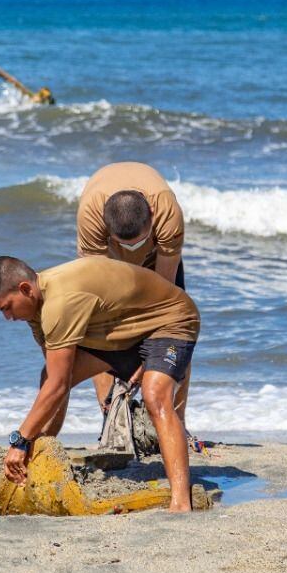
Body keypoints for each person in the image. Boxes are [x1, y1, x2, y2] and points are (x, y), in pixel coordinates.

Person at [0, 255, 199, 512]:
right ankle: (39, 456)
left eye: (7, 307)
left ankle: (181, 502)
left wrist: (19, 441)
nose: (7, 317)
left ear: (25, 289)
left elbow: (58, 386)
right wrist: (31, 442)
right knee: (48, 377)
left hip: (171, 320)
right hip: (122, 333)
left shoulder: (59, 303)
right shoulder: (36, 310)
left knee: (155, 396)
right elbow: (56, 380)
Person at [75, 162, 191, 420]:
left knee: (178, 330)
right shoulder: (91, 216)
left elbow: (164, 300)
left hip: (156, 258)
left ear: (151, 214)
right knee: (98, 333)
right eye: (127, 244)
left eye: (139, 240)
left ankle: (176, 418)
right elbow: (101, 295)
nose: (133, 248)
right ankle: (113, 419)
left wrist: (151, 355)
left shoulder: (166, 212)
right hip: (107, 260)